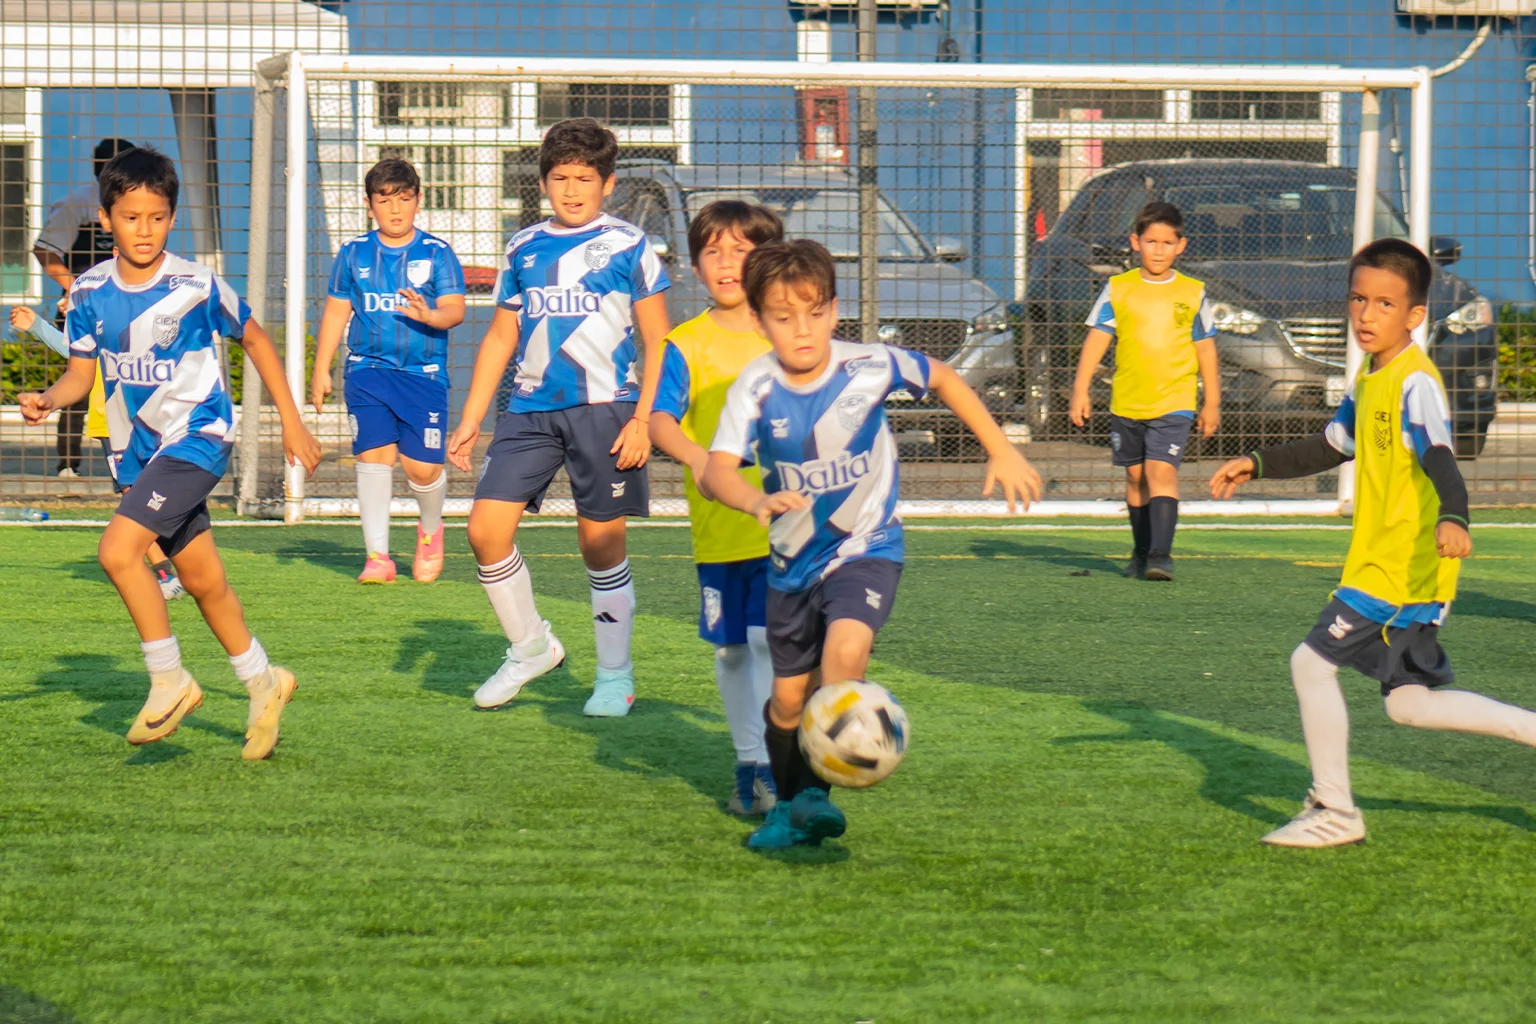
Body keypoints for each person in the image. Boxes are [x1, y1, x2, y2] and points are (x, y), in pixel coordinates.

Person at [702, 240, 1043, 850]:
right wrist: (756, 501)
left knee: (846, 658)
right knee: (785, 704)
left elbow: (940, 376)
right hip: (790, 566)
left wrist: (1001, 447)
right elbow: (716, 472)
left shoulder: (869, 366)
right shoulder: (753, 389)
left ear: (834, 311)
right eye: (782, 317)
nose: (801, 330)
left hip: (867, 548)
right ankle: (784, 804)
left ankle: (814, 796)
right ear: (758, 321)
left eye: (813, 313)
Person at [1209, 238, 1536, 848]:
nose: (1365, 314)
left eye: (1384, 303)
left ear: (1414, 317)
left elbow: (1441, 456)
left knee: (1309, 664)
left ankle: (1335, 811)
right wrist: (1255, 462)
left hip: (1399, 568)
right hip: (1400, 572)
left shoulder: (1416, 383)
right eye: (1358, 298)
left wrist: (1456, 518)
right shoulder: (1371, 379)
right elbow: (1332, 446)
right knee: (1408, 705)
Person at [19, 147, 321, 759]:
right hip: (142, 453)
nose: (143, 230)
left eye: (156, 217)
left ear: (172, 217)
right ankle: (264, 681)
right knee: (203, 580)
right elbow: (82, 375)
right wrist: (49, 399)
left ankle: (169, 679)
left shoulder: (196, 285)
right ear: (105, 219)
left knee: (117, 550)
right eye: (130, 217)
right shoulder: (89, 293)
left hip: (199, 437)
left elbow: (256, 339)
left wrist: (292, 422)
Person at [445, 118, 671, 718]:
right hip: (529, 411)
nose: (572, 190)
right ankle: (531, 648)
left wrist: (644, 419)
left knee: (600, 545)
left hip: (608, 411)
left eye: (585, 179)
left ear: (608, 183)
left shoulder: (629, 245)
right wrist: (470, 417)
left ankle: (614, 676)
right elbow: (500, 337)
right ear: (543, 182)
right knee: (484, 532)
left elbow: (658, 339)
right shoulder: (522, 247)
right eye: (560, 178)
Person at [649, 200, 785, 816]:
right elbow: (658, 420)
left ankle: (771, 766)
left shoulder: (792, 333)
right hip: (720, 531)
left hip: (790, 528)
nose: (727, 262)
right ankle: (748, 760)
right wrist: (699, 459)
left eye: (741, 248)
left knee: (765, 644)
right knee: (732, 649)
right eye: (713, 251)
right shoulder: (686, 344)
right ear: (696, 265)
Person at [310, 157, 466, 583]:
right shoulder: (354, 253)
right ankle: (378, 556)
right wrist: (321, 368)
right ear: (369, 204)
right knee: (374, 457)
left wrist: (428, 315)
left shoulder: (437, 253)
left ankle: (431, 530)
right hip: (367, 371)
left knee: (421, 470)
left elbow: (455, 311)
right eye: (385, 200)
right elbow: (337, 310)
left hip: (423, 374)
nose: (395, 209)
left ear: (418, 202)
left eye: (404, 199)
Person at [1069, 201, 1221, 581]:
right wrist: (1080, 389)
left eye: (1167, 243)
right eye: (1151, 241)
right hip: (1127, 401)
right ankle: (1139, 553)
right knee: (1136, 478)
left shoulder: (1193, 292)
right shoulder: (1118, 289)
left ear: (1180, 246)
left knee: (1161, 473)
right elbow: (1097, 338)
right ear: (1135, 242)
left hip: (1175, 400)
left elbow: (1206, 348)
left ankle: (1160, 556)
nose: (1158, 250)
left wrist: (1212, 402)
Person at [9, 301, 186, 601]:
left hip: (155, 421)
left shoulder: (148, 312)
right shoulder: (97, 310)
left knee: (167, 496)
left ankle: (184, 563)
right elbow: (75, 351)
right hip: (112, 424)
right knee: (135, 499)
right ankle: (164, 571)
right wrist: (38, 326)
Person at [33, 137, 136, 478]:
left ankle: (134, 461)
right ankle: (68, 463)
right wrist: (75, 289)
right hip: (82, 309)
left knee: (135, 376)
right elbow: (45, 251)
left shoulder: (139, 207)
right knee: (76, 383)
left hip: (130, 308)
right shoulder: (76, 205)